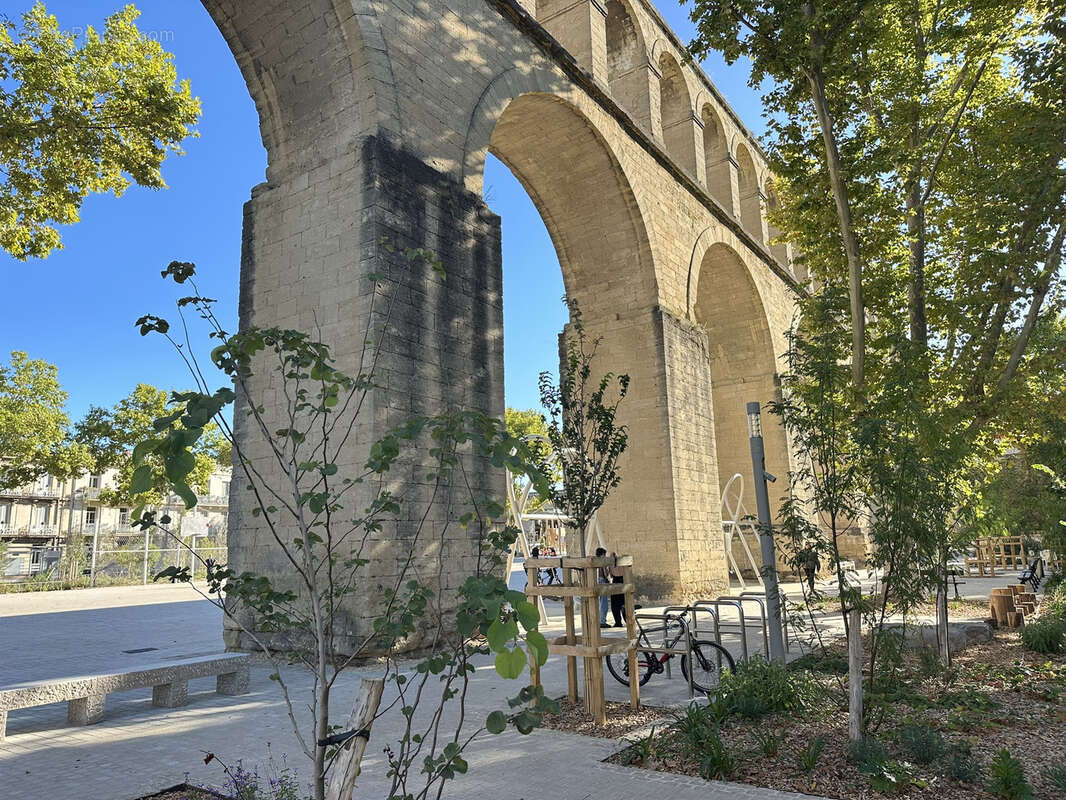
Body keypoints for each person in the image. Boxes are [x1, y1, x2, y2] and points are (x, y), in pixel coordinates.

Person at [609, 553, 626, 627]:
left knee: (615, 605)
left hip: (615, 581)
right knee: (624, 603)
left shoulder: (611, 565)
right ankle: (628, 620)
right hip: (623, 581)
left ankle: (618, 622)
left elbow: (610, 575)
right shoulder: (622, 564)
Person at [595, 547, 610, 627]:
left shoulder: (594, 561)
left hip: (595, 581)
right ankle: (602, 621)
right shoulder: (602, 562)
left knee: (597, 602)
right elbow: (605, 573)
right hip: (601, 581)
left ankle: (598, 620)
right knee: (604, 603)